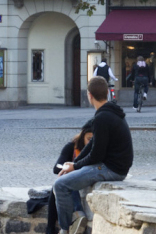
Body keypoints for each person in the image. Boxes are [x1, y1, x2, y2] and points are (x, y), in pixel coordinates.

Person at [54, 77, 132, 234]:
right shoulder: (111, 112)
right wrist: (74, 164)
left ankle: (65, 229)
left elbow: (96, 154)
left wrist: (75, 166)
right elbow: (92, 145)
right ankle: (76, 216)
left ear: (89, 95)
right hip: (118, 166)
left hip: (111, 169)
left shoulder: (102, 118)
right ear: (107, 93)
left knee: (60, 185)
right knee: (70, 175)